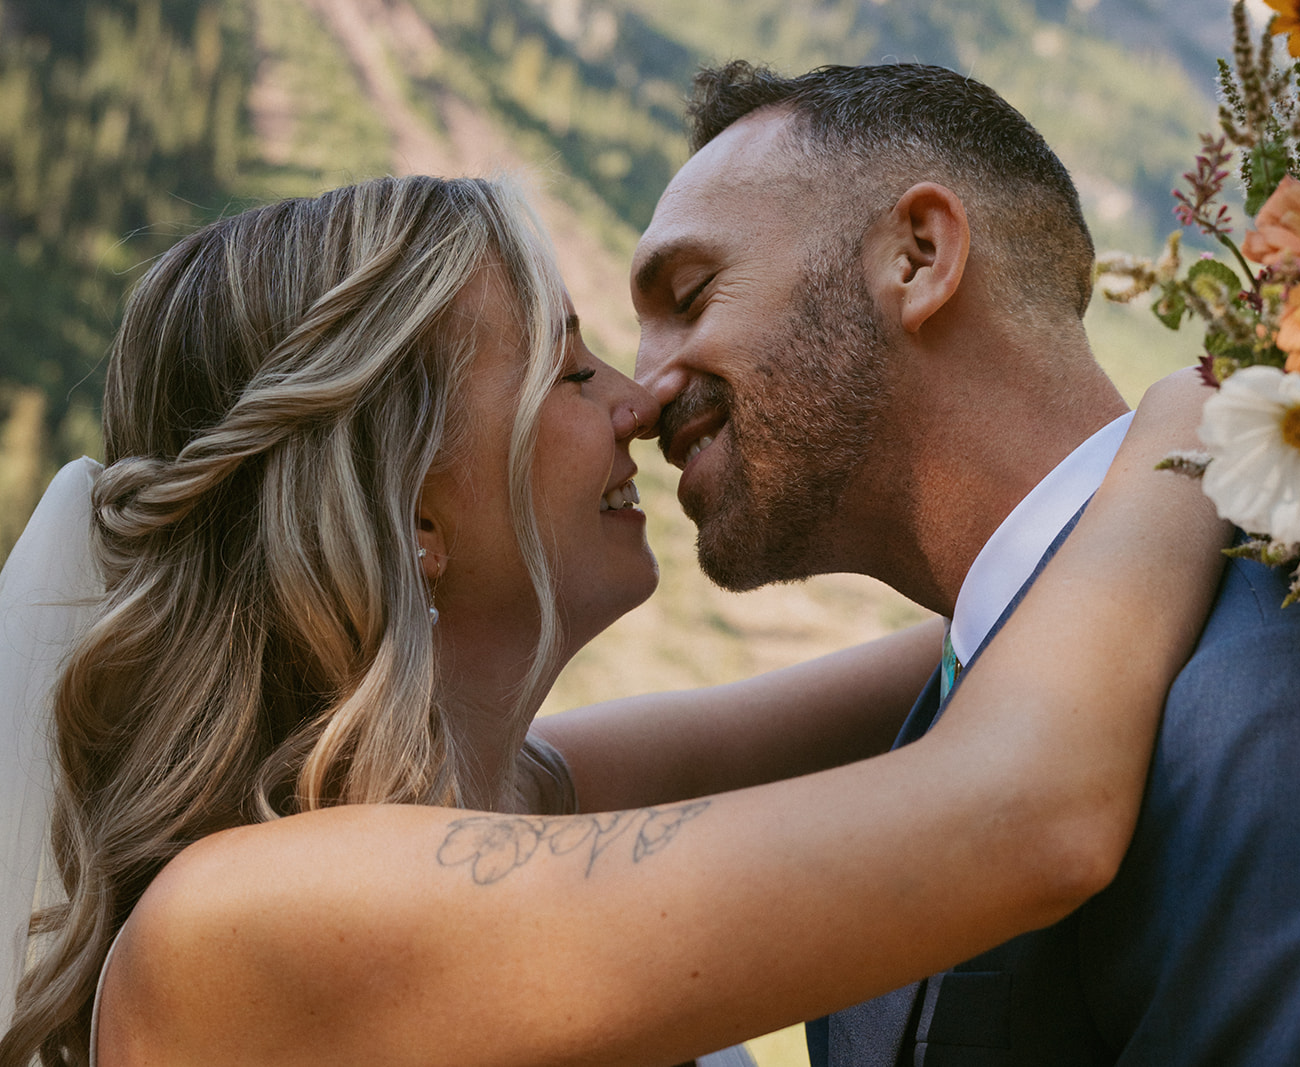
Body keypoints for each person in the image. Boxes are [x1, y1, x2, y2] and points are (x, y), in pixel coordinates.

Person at [0, 174, 1229, 1067]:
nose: (639, 404)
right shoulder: (242, 928)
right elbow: (1027, 814)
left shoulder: (519, 796)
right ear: (416, 505)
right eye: (569, 369)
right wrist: (1214, 410)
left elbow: (1009, 622)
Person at [605, 62, 1300, 1065]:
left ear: (919, 256)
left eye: (688, 293)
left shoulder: (1289, 699)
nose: (643, 387)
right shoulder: (955, 708)